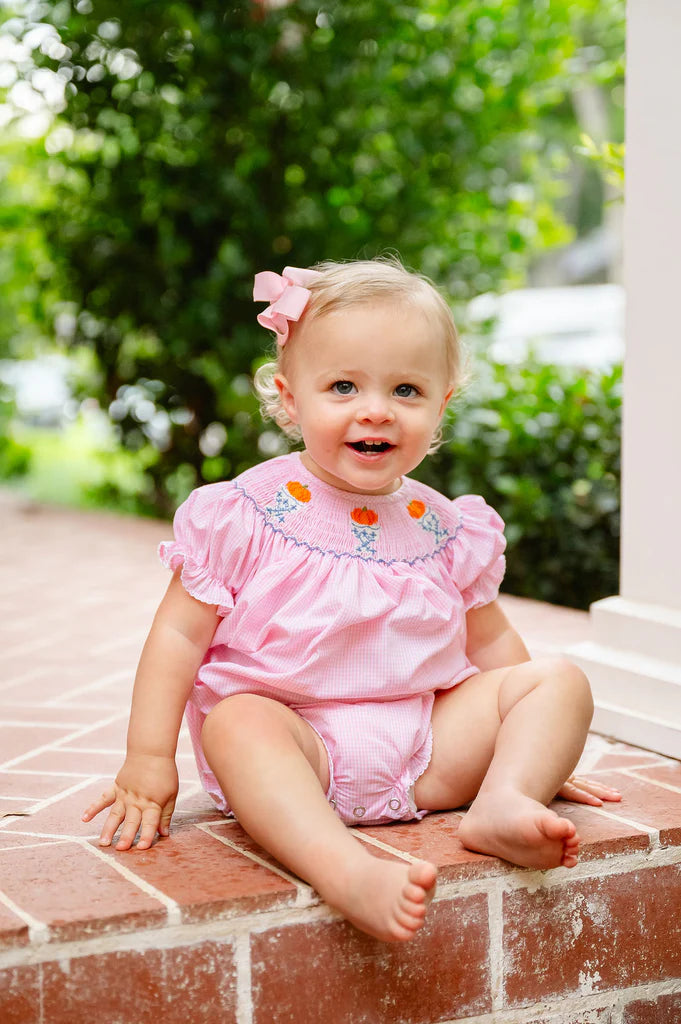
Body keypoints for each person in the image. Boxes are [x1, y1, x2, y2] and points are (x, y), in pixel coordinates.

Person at [82, 258, 621, 943]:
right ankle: (342, 870)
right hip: (297, 750)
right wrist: (148, 756)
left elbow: (490, 645)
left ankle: (503, 804)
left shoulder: (447, 526)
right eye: (342, 386)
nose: (375, 409)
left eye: (405, 389)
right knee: (239, 721)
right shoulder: (246, 513)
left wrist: (533, 749)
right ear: (288, 398)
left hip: (428, 750)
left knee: (558, 682)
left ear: (441, 405)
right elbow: (178, 638)